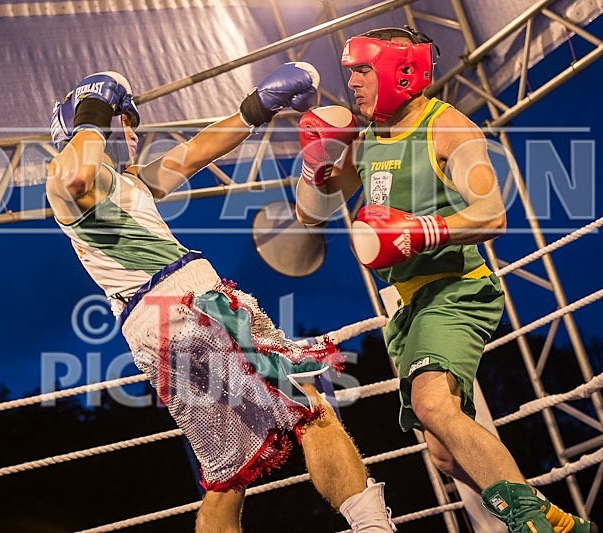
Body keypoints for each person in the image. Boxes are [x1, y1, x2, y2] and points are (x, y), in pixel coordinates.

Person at [45, 66, 396, 532]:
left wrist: (258, 106)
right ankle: (374, 527)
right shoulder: (64, 177)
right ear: (89, 123)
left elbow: (195, 153)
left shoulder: (129, 182)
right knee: (310, 407)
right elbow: (76, 175)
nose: (132, 132)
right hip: (189, 305)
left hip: (154, 330)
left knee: (227, 472)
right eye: (123, 119)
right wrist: (93, 107)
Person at [295, 26, 598, 533]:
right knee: (445, 454)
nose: (353, 83)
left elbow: (492, 213)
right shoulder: (367, 140)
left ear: (401, 71)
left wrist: (419, 230)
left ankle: (532, 526)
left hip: (455, 288)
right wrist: (313, 166)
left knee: (433, 403)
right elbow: (311, 216)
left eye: (363, 70)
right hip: (408, 306)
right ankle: (561, 523)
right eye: (351, 73)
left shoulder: (448, 128)